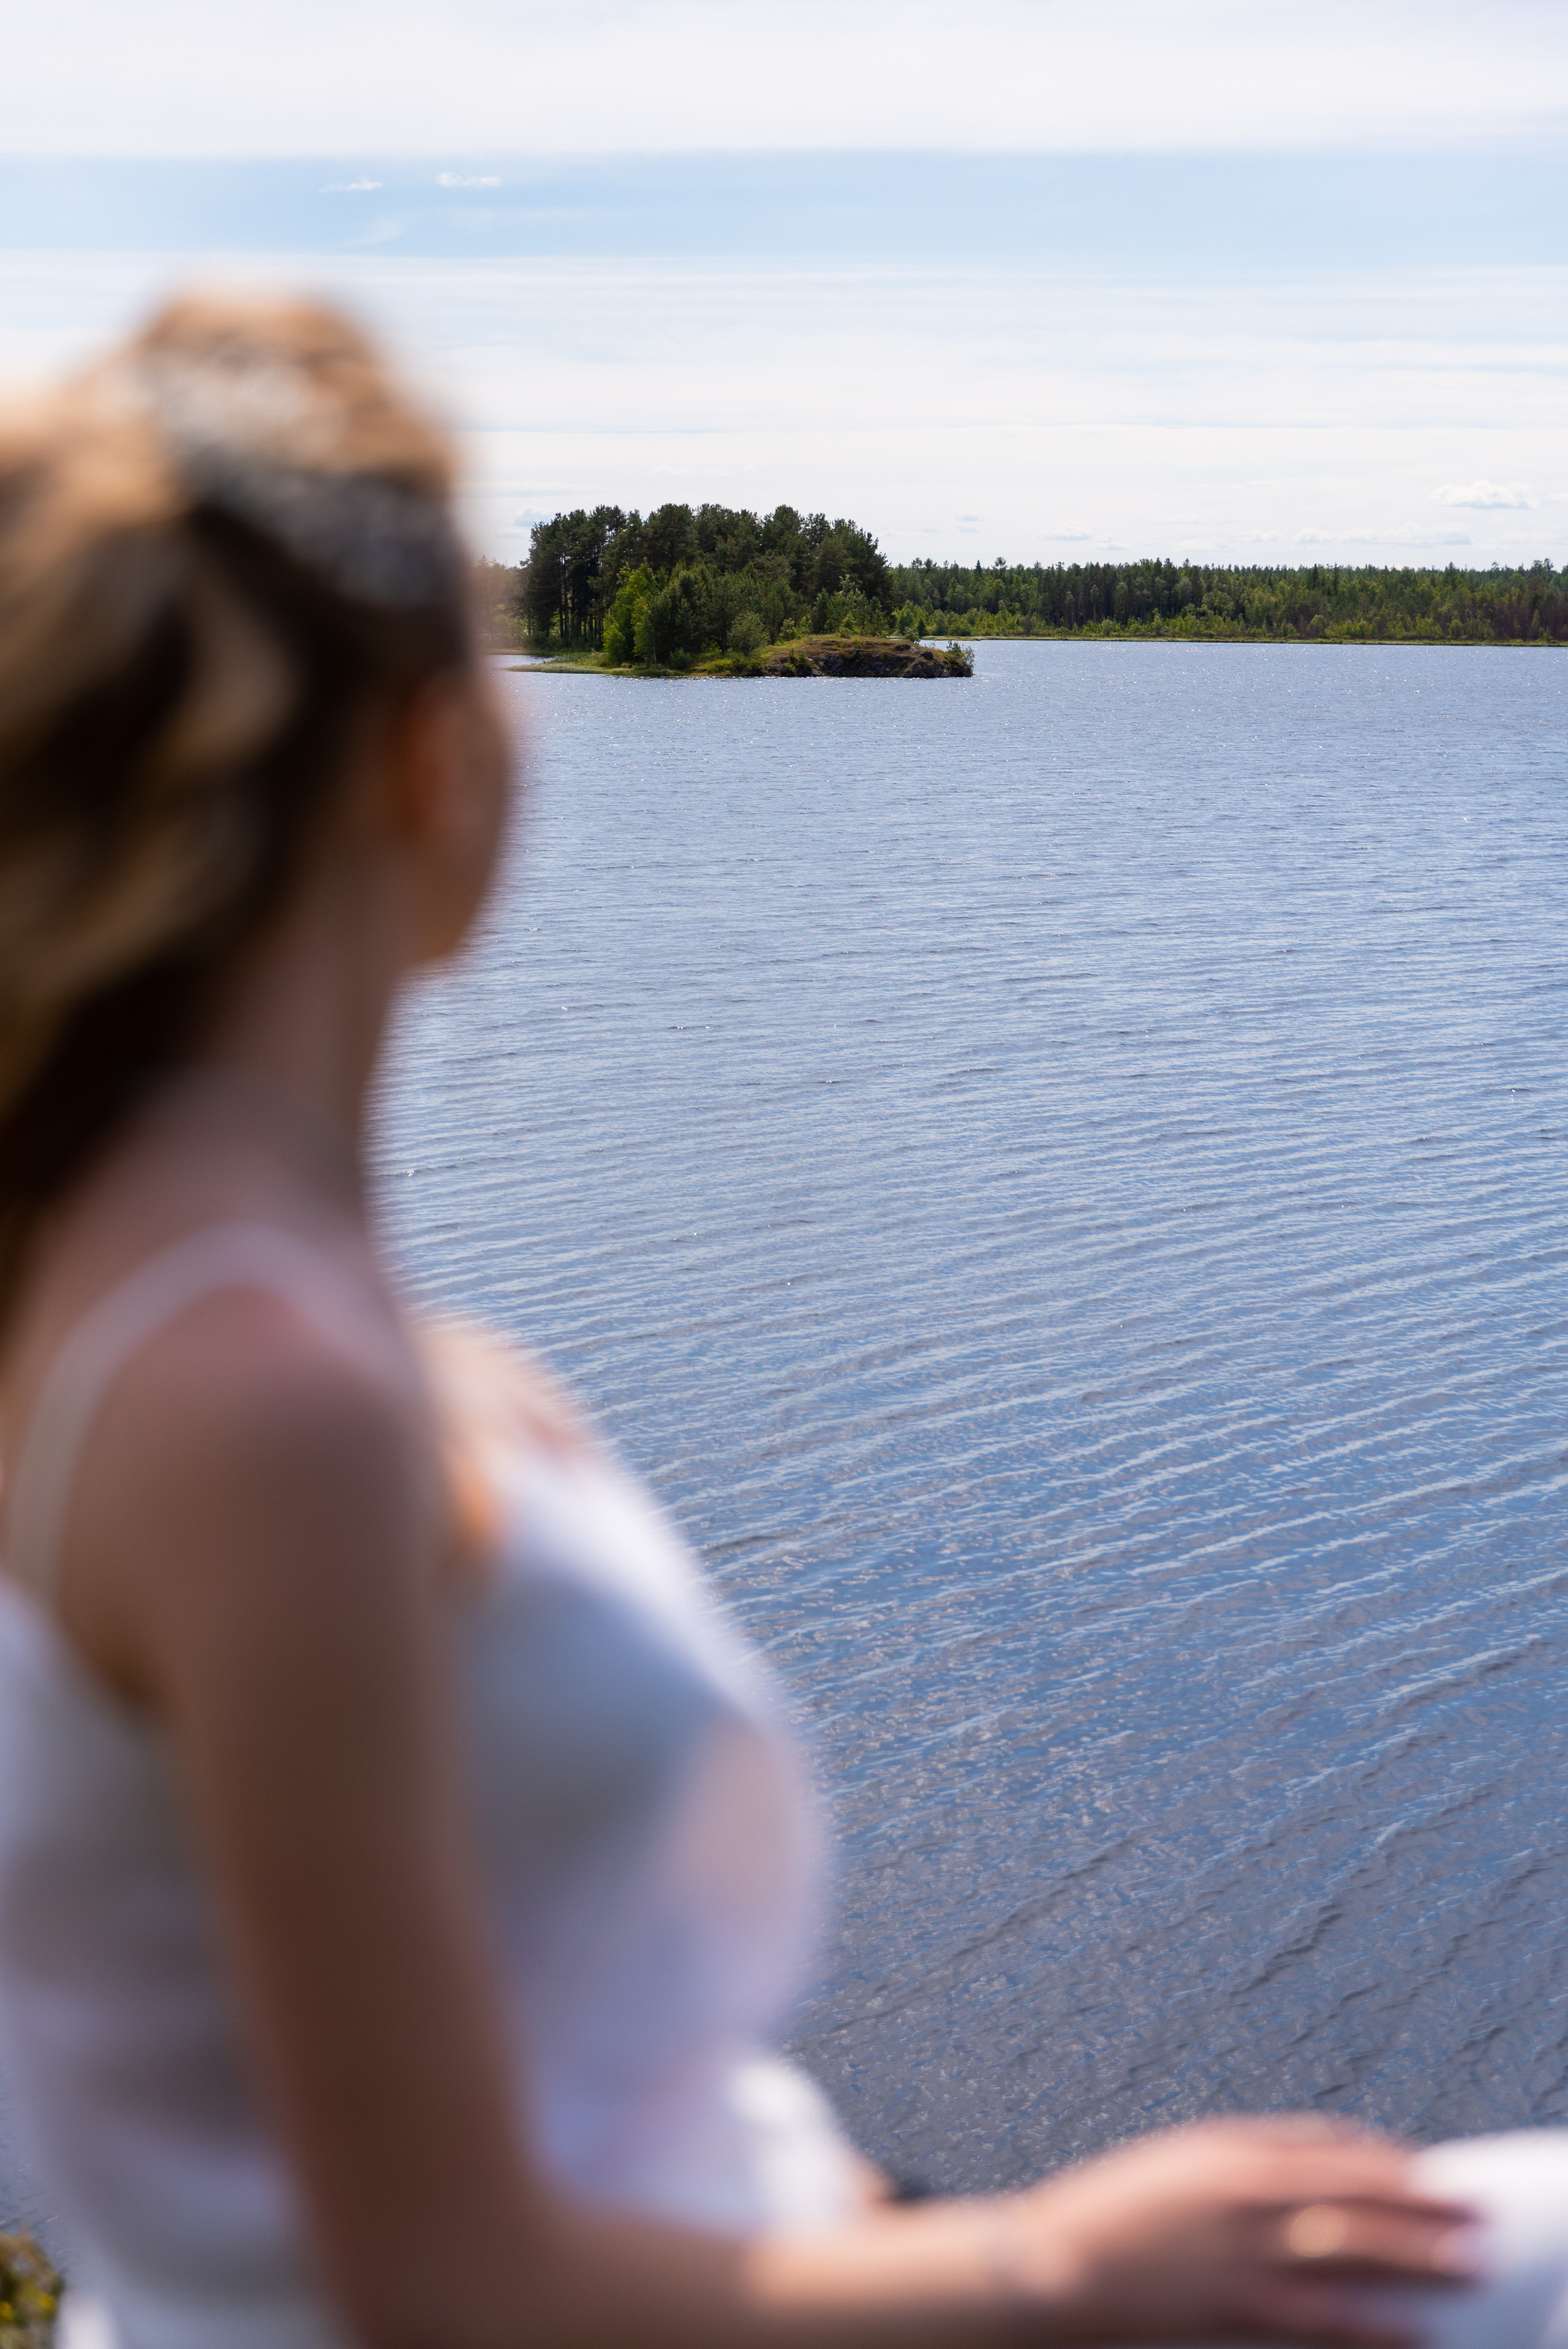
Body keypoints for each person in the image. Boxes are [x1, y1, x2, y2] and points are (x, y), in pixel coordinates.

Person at [0, 292, 1516, 2349]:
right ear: (431, 765)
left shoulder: (156, 1294)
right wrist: (1062, 2265)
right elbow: (434, 2289)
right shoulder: (256, 1393)